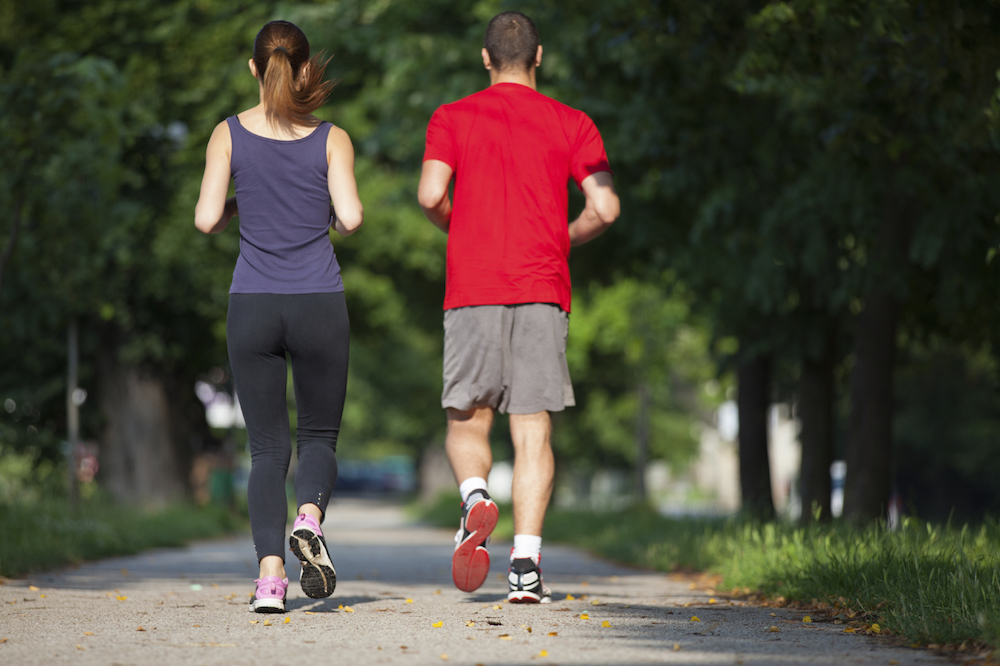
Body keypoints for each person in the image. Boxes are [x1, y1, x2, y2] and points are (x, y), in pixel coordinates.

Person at [417, 11, 620, 603]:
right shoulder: (573, 122)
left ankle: (477, 499)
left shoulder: (452, 117)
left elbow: (431, 193)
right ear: (539, 57)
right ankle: (526, 569)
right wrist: (565, 234)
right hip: (542, 286)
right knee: (532, 431)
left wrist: (455, 225)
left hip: (473, 286)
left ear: (485, 59)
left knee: (466, 419)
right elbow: (605, 207)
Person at [194, 20, 363, 613]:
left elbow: (206, 218)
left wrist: (248, 198)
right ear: (305, 68)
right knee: (318, 434)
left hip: (253, 304)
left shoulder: (227, 134)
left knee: (266, 449)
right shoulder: (332, 138)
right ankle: (310, 520)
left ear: (254, 67)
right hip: (318, 299)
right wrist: (322, 207)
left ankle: (270, 582)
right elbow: (352, 217)